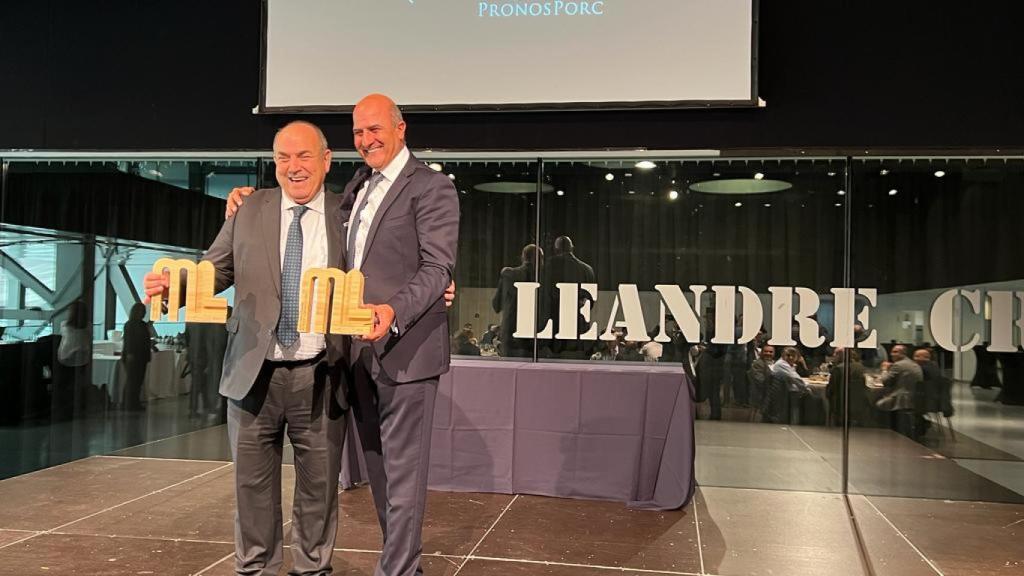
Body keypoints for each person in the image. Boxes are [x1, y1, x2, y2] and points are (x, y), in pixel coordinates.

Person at [228, 95, 459, 576]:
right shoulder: (356, 190)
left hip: (406, 350)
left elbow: (438, 265)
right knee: (380, 475)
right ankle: (403, 567)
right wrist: (244, 201)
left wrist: (402, 306)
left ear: (401, 129)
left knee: (404, 479)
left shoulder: (432, 187)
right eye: (358, 132)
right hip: (357, 356)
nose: (367, 139)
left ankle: (396, 571)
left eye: (375, 129)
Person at [148, 120, 350, 575]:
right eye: (283, 158)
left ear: (326, 160)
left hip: (322, 373)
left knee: (318, 490)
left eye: (304, 157)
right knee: (251, 489)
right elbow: (213, 272)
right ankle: (255, 570)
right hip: (253, 372)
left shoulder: (346, 214)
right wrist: (174, 285)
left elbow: (376, 276)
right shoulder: (249, 209)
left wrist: (438, 283)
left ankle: (312, 570)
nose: (294, 167)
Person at [546, 235, 596, 359]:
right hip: (578, 329)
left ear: (556, 250)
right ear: (572, 248)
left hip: (554, 330)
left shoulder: (548, 266)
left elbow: (544, 296)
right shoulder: (587, 269)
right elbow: (590, 302)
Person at [492, 243, 543, 358]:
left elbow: (496, 305)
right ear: (540, 260)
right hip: (537, 337)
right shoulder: (546, 278)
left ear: (523, 257)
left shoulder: (509, 274)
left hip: (511, 335)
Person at [877, 344, 923, 439]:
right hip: (915, 398)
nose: (891, 354)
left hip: (902, 398)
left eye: (895, 352)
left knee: (876, 403)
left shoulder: (898, 365)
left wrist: (884, 369)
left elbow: (885, 381)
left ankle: (884, 432)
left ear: (903, 353)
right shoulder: (913, 363)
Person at [121, 303, 154, 411]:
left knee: (137, 381)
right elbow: (129, 341)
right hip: (134, 356)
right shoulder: (131, 325)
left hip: (141, 356)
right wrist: (130, 354)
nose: (143, 313)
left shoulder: (139, 325)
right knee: (132, 381)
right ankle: (128, 403)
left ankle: (133, 403)